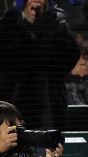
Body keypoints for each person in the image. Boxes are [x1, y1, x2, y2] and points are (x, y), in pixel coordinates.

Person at [0, 0, 81, 130]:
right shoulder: (7, 25)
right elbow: (7, 65)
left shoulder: (57, 23)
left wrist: (48, 33)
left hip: (49, 104)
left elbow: (69, 59)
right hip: (14, 103)